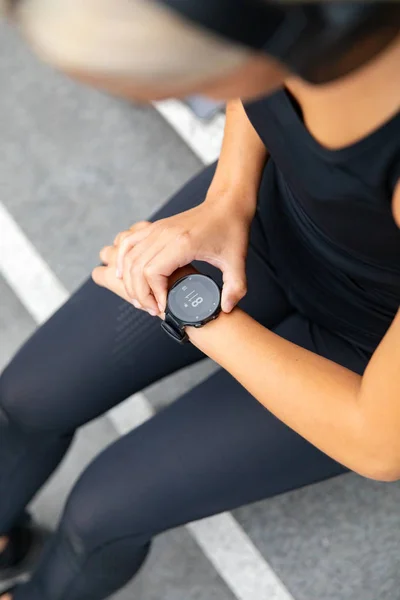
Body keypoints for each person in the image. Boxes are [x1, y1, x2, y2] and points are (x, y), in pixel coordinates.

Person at [1, 1, 400, 598]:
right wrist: (228, 199)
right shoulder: (284, 22)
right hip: (262, 220)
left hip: (364, 353)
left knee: (102, 513)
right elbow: (258, 87)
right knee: (26, 398)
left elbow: (379, 445)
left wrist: (197, 312)